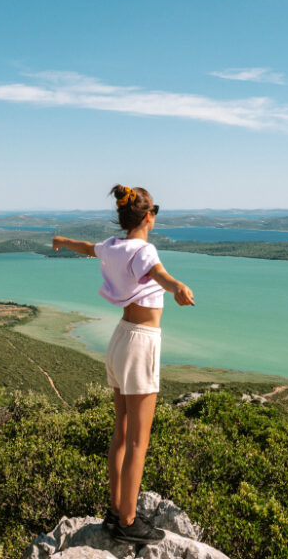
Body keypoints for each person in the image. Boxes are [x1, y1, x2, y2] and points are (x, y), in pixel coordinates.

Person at [52, 184, 194, 544]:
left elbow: (88, 249)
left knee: (121, 430)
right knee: (138, 441)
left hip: (119, 339)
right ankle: (129, 521)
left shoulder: (113, 246)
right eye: (155, 211)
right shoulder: (144, 249)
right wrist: (176, 286)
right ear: (148, 216)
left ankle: (117, 511)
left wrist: (62, 240)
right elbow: (159, 273)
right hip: (140, 343)